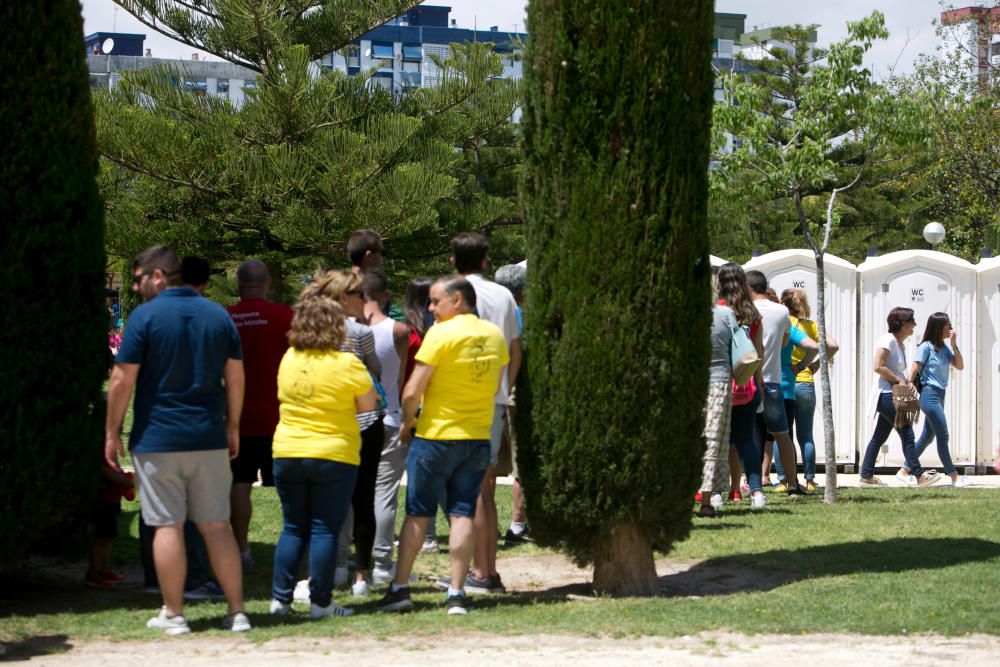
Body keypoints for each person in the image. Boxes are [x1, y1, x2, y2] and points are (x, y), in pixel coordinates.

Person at [105, 245, 250, 635]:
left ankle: (174, 613)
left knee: (167, 525)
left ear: (157, 277)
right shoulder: (218, 314)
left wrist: (111, 431)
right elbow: (235, 377)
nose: (135, 288)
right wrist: (233, 425)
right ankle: (237, 612)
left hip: (158, 438)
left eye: (137, 279)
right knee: (217, 525)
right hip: (209, 435)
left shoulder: (145, 317)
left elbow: (121, 378)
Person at [377, 276, 509, 615]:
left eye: (436, 301)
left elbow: (411, 391)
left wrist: (408, 422)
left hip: (435, 437)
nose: (430, 308)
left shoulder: (441, 333)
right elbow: (495, 386)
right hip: (477, 437)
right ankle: (456, 592)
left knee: (418, 514)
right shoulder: (494, 336)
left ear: (458, 300)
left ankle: (400, 587)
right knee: (462, 512)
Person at [268, 277, 376, 619]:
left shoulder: (288, 359)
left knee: (292, 528)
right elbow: (368, 407)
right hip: (333, 454)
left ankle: (280, 599)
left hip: (287, 451)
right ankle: (320, 602)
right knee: (324, 530)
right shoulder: (348, 364)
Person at [449, 232, 520, 594]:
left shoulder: (451, 294)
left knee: (473, 488)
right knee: (486, 488)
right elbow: (515, 348)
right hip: (495, 398)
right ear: (486, 261)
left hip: (465, 400)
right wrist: (506, 386)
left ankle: (480, 572)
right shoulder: (505, 294)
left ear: (453, 261)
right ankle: (488, 570)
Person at [226, 259, 293, 570]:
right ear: (268, 281)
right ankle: (293, 545)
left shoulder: (227, 318)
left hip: (238, 417)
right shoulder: (285, 317)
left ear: (239, 285)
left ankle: (241, 549)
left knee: (240, 482)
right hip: (281, 416)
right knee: (288, 485)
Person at [320, 271, 383, 597]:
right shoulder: (360, 331)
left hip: (332, 420)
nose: (363, 298)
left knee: (333, 498)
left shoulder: (315, 332)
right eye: (358, 293)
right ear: (343, 297)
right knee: (364, 497)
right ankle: (362, 574)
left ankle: (336, 566)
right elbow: (376, 370)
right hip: (366, 420)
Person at [746, 271, 817, 495]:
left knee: (747, 436)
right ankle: (794, 484)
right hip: (773, 381)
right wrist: (801, 367)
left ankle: (750, 485)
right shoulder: (781, 311)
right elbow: (795, 343)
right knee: (782, 435)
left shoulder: (743, 311)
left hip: (746, 380)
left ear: (749, 286)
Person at [364, 270, 412, 586]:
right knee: (384, 495)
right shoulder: (398, 330)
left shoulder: (345, 331)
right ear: (385, 295)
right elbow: (400, 377)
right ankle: (382, 564)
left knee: (354, 494)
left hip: (356, 420)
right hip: (391, 417)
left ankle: (344, 562)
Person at [858, 307, 940, 488]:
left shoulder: (899, 344)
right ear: (902, 324)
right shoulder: (887, 340)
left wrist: (905, 381)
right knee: (907, 434)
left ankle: (866, 475)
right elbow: (878, 366)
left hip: (890, 394)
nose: (915, 326)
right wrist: (899, 379)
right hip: (886, 395)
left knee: (879, 437)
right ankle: (918, 475)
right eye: (912, 322)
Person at [717, 264, 767, 510]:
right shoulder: (753, 313)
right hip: (748, 384)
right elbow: (759, 352)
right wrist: (758, 382)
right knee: (747, 440)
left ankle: (716, 491)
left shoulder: (718, 311)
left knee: (720, 440)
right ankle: (756, 492)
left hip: (722, 383)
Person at [780, 289, 834, 492]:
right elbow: (833, 346)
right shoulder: (811, 325)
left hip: (786, 381)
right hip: (805, 382)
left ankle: (785, 480)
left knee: (783, 434)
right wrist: (814, 363)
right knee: (806, 435)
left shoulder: (783, 323)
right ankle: (810, 479)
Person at [909, 312, 968, 488]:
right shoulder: (926, 346)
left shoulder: (944, 348)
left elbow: (960, 366)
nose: (950, 328)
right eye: (947, 325)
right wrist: (908, 386)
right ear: (938, 327)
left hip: (940, 395)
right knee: (943, 436)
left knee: (928, 436)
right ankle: (954, 476)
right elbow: (914, 368)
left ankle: (904, 470)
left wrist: (954, 345)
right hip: (929, 396)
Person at [494, 263, 531, 543]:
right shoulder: (522, 316)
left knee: (491, 464)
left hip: (493, 394)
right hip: (516, 395)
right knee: (522, 464)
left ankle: (488, 524)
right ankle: (517, 525)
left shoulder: (490, 315)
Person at [698, 275, 737, 518]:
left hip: (690, 384)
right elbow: (740, 347)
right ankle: (705, 501)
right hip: (720, 383)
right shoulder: (726, 315)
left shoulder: (685, 315)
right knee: (713, 442)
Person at [87, 459, 134, 588]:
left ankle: (103, 569)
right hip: (104, 502)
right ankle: (95, 573)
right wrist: (126, 481)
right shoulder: (101, 453)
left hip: (112, 500)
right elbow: (104, 470)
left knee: (108, 537)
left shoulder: (110, 455)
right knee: (102, 537)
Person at [347, 229, 403, 321]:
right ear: (369, 255)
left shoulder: (338, 285)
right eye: (382, 253)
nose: (383, 258)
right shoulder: (368, 286)